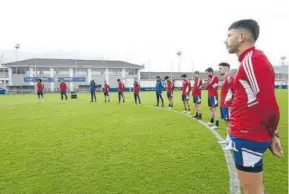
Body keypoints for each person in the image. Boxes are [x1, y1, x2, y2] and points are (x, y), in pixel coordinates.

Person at [225, 19, 283, 194]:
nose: (226, 40)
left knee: (252, 190)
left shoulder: (252, 59)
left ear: (241, 37)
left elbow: (267, 104)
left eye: (229, 35)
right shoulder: (249, 60)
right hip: (246, 133)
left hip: (248, 135)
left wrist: (273, 134)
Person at [218, 63, 234, 150]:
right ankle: (228, 139)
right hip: (223, 104)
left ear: (226, 68)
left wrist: (232, 103)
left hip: (228, 105)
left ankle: (232, 143)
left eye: (220, 68)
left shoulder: (230, 78)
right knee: (227, 122)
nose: (219, 70)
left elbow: (234, 91)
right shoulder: (225, 78)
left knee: (230, 123)